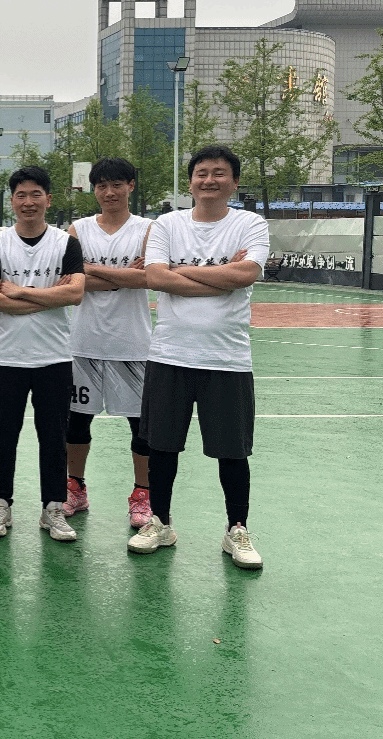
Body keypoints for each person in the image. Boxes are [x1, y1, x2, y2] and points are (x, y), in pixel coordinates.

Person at [128, 145, 269, 569]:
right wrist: (221, 277)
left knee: (233, 452)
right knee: (161, 446)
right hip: (170, 353)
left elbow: (246, 273)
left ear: (234, 181)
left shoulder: (250, 223)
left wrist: (179, 271)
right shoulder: (167, 224)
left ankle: (237, 529)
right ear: (190, 182)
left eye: (219, 173)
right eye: (201, 173)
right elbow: (155, 277)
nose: (209, 180)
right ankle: (160, 522)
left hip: (227, 358)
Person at [0, 166, 84, 542]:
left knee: (53, 437)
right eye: (21, 195)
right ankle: (0, 503)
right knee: (4, 435)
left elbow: (75, 294)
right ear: (12, 201)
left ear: (48, 199)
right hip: (5, 357)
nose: (28, 202)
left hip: (53, 357)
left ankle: (52, 508)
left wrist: (21, 292)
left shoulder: (65, 243)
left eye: (35, 194)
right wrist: (49, 296)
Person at [65, 158, 154, 528]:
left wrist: (90, 269)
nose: (109, 192)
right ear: (94, 189)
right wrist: (122, 276)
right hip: (83, 343)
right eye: (102, 185)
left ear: (131, 186)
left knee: (141, 427)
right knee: (76, 422)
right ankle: (75, 487)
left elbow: (148, 278)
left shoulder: (148, 229)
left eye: (117, 184)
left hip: (132, 345)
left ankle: (142, 494)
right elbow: (70, 279)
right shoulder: (78, 229)